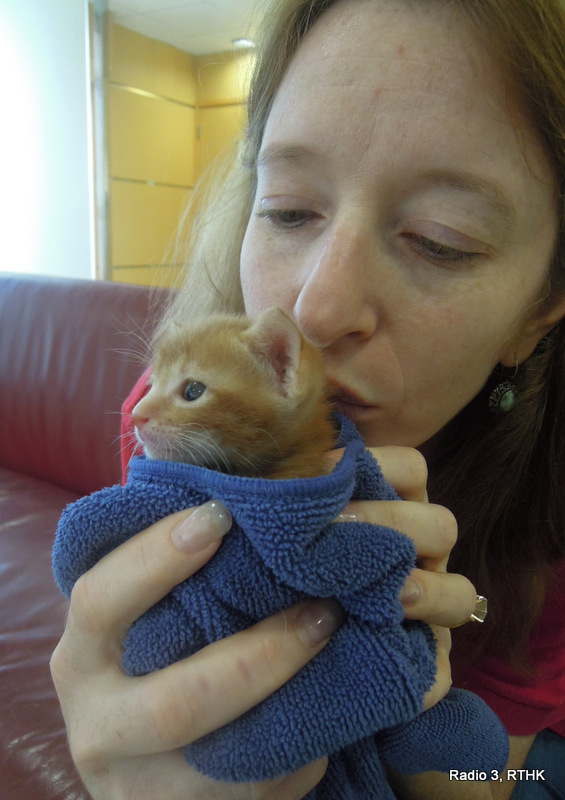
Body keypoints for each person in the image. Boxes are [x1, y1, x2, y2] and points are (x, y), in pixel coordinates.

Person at [50, 0, 565, 797]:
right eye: (288, 209)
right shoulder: (174, 424)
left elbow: (486, 767)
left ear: (535, 312)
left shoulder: (548, 509)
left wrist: (431, 672)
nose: (316, 311)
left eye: (440, 239)